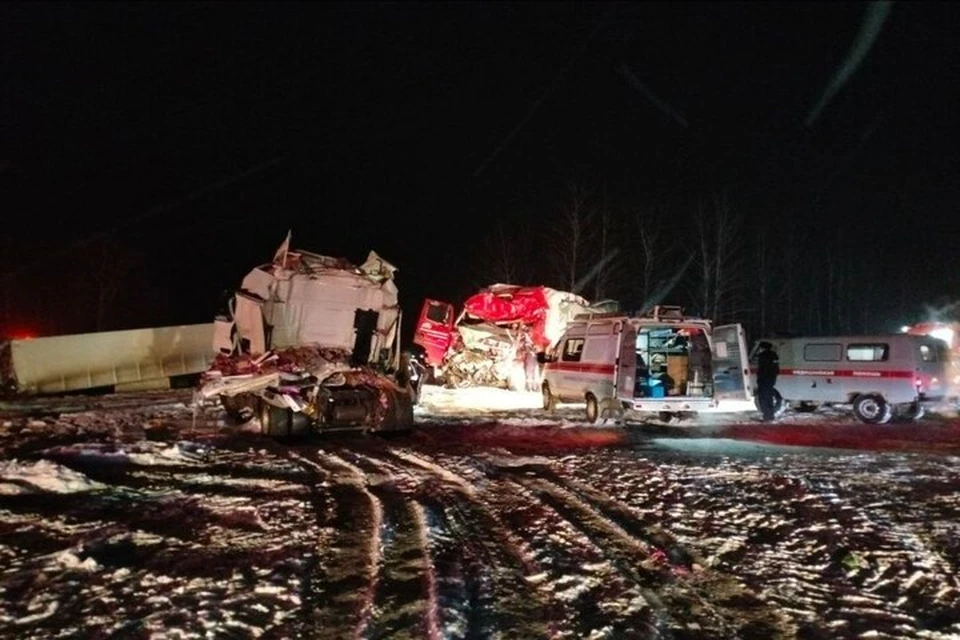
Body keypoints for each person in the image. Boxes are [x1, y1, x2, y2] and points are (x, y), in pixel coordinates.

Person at [756, 341, 780, 421]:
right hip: (771, 380)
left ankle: (767, 417)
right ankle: (770, 416)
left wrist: (760, 378)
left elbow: (761, 369)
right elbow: (776, 369)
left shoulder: (762, 356)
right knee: (769, 399)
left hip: (764, 380)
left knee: (764, 400)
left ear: (763, 348)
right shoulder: (775, 355)